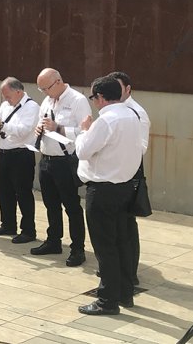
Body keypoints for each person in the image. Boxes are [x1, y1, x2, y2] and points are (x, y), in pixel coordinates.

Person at [74, 76, 143, 315]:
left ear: (101, 97)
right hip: (124, 187)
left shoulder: (106, 120)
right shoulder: (132, 116)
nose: (93, 102)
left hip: (103, 189)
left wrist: (84, 130)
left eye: (93, 97)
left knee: (105, 247)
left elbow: (82, 151)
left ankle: (107, 300)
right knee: (121, 243)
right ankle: (124, 293)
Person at [30, 68, 90, 266]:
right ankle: (53, 241)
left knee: (71, 206)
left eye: (46, 88)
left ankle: (77, 249)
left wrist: (59, 128)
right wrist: (39, 128)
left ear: (57, 82)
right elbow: (42, 121)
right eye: (41, 89)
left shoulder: (77, 100)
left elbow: (86, 132)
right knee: (50, 204)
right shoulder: (47, 100)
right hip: (46, 159)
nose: (44, 92)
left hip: (65, 160)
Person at [0, 77, 39, 243]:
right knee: (4, 191)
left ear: (18, 92)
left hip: (22, 154)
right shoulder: (6, 105)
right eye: (3, 95)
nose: (5, 99)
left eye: (8, 95)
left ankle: (28, 230)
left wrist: (2, 124)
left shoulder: (31, 107)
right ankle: (8, 224)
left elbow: (24, 131)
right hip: (5, 152)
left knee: (23, 192)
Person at [108, 71, 150, 286]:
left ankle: (130, 273)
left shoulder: (137, 112)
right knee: (115, 226)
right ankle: (117, 268)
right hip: (114, 175)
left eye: (118, 87)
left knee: (127, 226)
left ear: (128, 89)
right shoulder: (112, 110)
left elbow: (141, 147)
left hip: (130, 176)